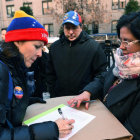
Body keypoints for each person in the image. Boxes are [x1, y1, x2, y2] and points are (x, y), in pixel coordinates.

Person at [0, 10, 75, 140]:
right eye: (37, 46)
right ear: (17, 41)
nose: (40, 54)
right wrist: (52, 130)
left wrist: (26, 101)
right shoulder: (2, 71)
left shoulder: (15, 66)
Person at [68, 12, 140, 140]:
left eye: (127, 41)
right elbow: (104, 78)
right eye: (120, 40)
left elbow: (132, 134)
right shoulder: (123, 62)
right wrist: (88, 92)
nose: (121, 47)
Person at [46, 10, 107, 98]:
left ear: (81, 27)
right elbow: (49, 74)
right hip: (60, 100)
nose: (71, 32)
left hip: (85, 100)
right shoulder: (55, 47)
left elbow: (102, 75)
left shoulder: (94, 47)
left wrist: (89, 91)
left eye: (74, 27)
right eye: (67, 28)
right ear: (63, 28)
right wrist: (53, 92)